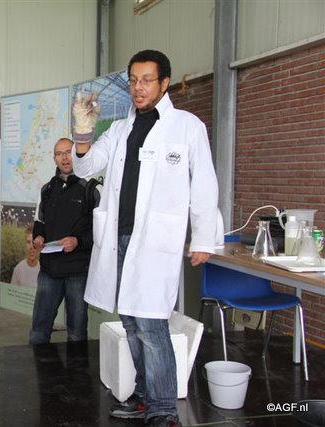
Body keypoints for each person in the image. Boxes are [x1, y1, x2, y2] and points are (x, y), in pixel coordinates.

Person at [71, 50, 219, 427]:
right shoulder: (120, 129)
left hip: (155, 243)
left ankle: (164, 408)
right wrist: (83, 132)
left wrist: (203, 237)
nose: (138, 88)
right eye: (134, 81)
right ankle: (144, 394)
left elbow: (204, 184)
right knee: (131, 323)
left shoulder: (187, 127)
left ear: (164, 83)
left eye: (147, 80)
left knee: (152, 326)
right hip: (119, 239)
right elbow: (86, 166)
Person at [29, 137, 98, 345]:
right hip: (49, 271)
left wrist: (78, 241)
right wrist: (38, 237)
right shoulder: (47, 189)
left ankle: (77, 369)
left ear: (76, 154)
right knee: (38, 332)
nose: (64, 158)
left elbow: (101, 231)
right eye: (59, 154)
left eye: (68, 152)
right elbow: (39, 222)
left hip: (78, 271)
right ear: (54, 159)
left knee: (76, 333)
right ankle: (37, 367)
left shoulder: (92, 188)